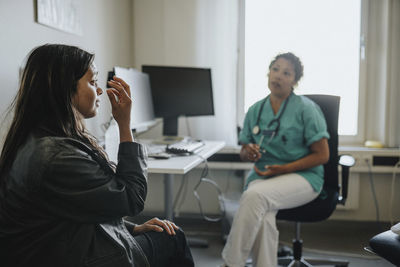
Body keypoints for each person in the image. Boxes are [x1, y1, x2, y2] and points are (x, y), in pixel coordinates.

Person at [0, 44, 194, 267]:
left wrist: (132, 228)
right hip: (69, 256)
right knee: (174, 237)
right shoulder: (57, 156)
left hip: (64, 246)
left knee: (163, 231)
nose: (100, 90)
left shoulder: (39, 142)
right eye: (92, 82)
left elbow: (81, 208)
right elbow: (132, 198)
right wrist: (124, 125)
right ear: (64, 89)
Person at [221, 52, 330, 267]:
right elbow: (244, 152)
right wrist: (248, 151)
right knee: (264, 218)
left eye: (286, 73)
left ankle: (230, 263)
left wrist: (284, 168)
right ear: (268, 72)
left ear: (295, 81)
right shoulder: (255, 110)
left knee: (254, 196)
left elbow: (323, 155)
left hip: (303, 177)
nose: (278, 76)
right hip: (263, 175)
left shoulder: (306, 109)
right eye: (275, 69)